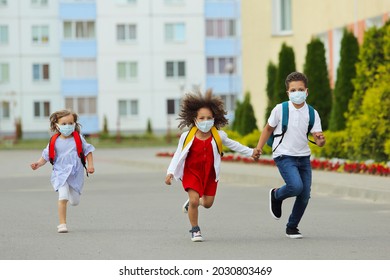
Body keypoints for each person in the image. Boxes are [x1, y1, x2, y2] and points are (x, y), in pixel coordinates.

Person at [165, 89, 260, 242]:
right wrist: (170, 172)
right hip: (192, 172)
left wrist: (251, 152)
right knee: (195, 200)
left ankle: (191, 204)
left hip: (210, 174)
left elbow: (234, 145)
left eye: (209, 118)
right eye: (201, 118)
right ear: (194, 119)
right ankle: (195, 229)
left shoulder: (218, 135)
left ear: (215, 119)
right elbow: (178, 154)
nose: (205, 121)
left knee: (207, 204)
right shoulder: (187, 136)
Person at [255, 71, 326, 239]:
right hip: (283, 155)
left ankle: (292, 227)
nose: (297, 93)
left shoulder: (312, 113)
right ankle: (276, 195)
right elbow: (268, 129)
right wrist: (258, 148)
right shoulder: (280, 109)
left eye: (300, 89)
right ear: (288, 92)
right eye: (293, 90)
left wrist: (321, 141)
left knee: (304, 195)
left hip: (304, 157)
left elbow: (319, 138)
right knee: (295, 186)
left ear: (306, 91)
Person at [30, 109, 95, 233]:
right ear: (57, 125)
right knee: (63, 196)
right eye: (64, 124)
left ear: (75, 124)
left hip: (75, 174)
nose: (68, 126)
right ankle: (62, 224)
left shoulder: (78, 139)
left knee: (75, 202)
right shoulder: (54, 141)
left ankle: (72, 194)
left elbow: (88, 151)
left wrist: (90, 165)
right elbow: (46, 156)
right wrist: (38, 164)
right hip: (60, 174)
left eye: (71, 123)